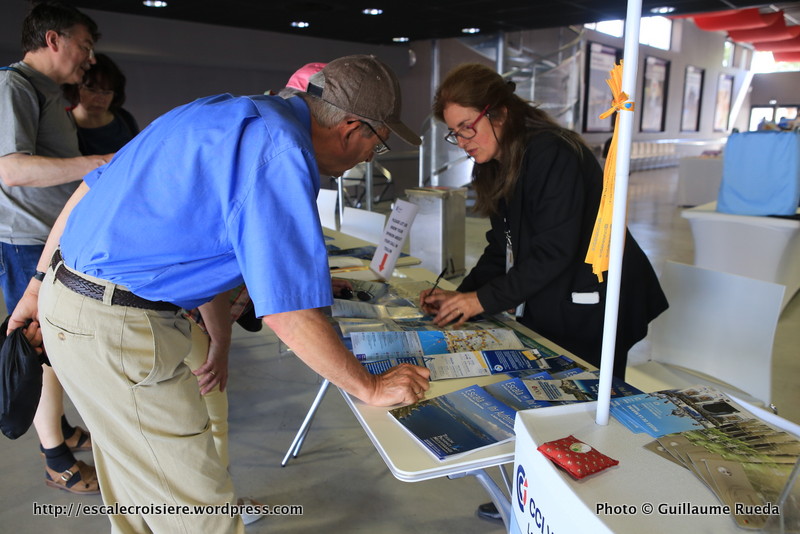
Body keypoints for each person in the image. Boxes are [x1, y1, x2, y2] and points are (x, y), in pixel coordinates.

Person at [10, 54, 430, 533]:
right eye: (376, 146)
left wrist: (36, 286)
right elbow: (289, 314)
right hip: (117, 328)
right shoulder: (282, 149)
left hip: (71, 300)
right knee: (202, 516)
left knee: (138, 494)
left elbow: (90, 192)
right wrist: (370, 386)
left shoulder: (216, 111)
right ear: (353, 127)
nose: (366, 157)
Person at [421, 63, 668, 522]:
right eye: (454, 134)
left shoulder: (553, 153)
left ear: (500, 112)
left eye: (466, 127)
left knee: (586, 406)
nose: (463, 140)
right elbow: (505, 247)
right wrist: (461, 295)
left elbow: (554, 251)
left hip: (599, 298)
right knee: (545, 400)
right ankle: (536, 500)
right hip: (557, 293)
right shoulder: (502, 162)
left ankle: (576, 514)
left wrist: (478, 302)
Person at [0, 1, 111, 496]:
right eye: (84, 46)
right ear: (53, 40)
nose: (89, 59)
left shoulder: (47, 93)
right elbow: (11, 169)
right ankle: (56, 458)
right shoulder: (15, 86)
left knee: (55, 343)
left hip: (47, 239)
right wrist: (99, 163)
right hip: (25, 241)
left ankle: (60, 430)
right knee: (43, 349)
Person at [64, 52, 139, 155]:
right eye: (91, 90)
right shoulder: (63, 121)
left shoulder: (124, 118)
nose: (100, 98)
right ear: (76, 87)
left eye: (106, 92)